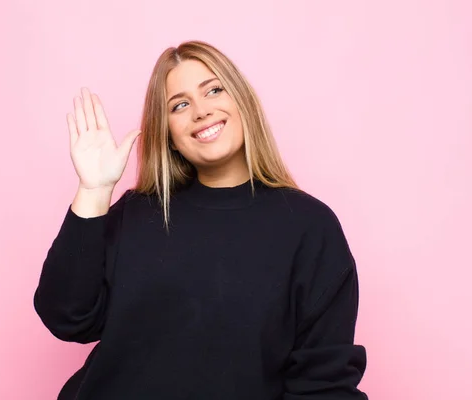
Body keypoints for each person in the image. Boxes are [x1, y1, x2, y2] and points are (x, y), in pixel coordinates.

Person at [33, 40, 368, 399]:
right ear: (170, 136)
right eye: (180, 105)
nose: (201, 111)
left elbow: (324, 383)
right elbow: (67, 317)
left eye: (214, 90)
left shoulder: (309, 227)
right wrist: (94, 190)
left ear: (243, 103)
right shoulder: (139, 212)